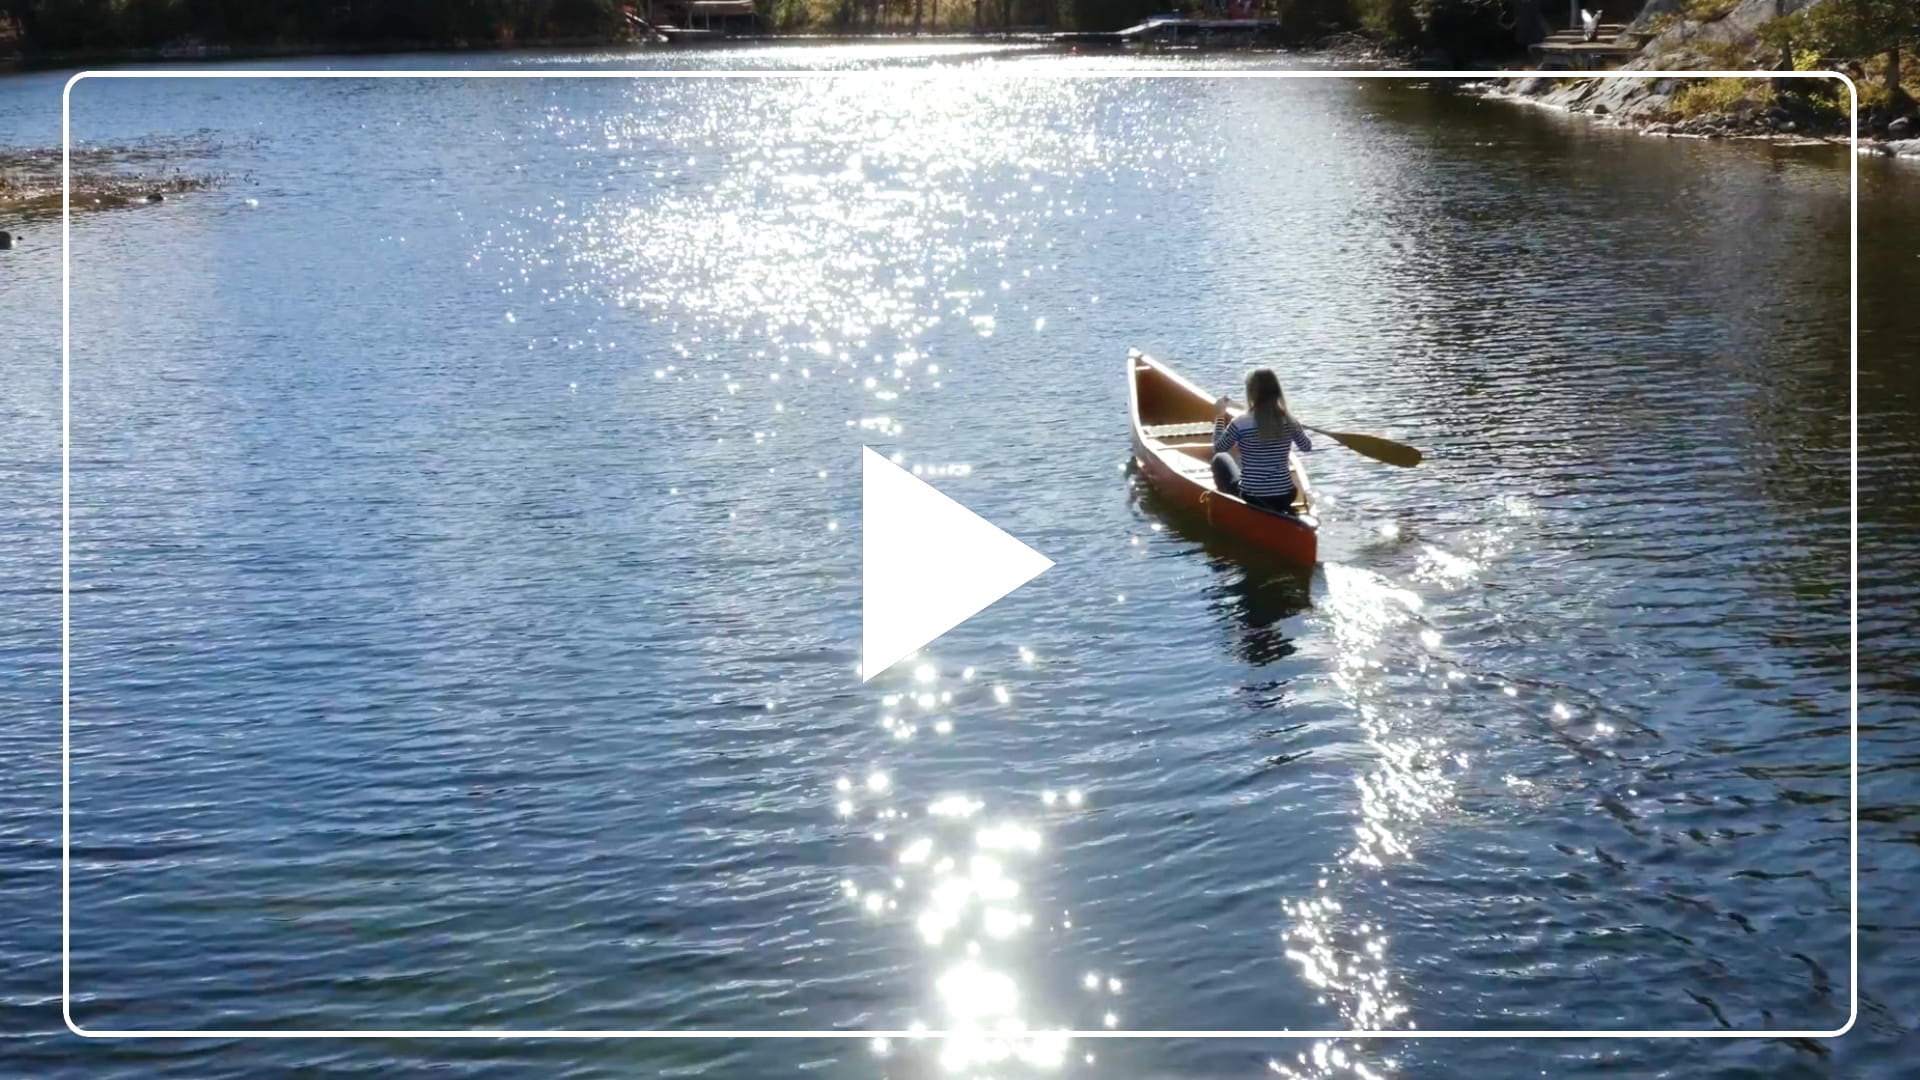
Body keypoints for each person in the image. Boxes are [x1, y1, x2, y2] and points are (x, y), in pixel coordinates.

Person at [1211, 367, 1311, 516]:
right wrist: (1296, 426)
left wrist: (1220, 417)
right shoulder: (1289, 420)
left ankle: (1229, 512)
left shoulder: (1240, 423)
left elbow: (1219, 447)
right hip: (1286, 495)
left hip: (1253, 497)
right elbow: (1306, 447)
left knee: (1220, 459)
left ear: (1251, 392)